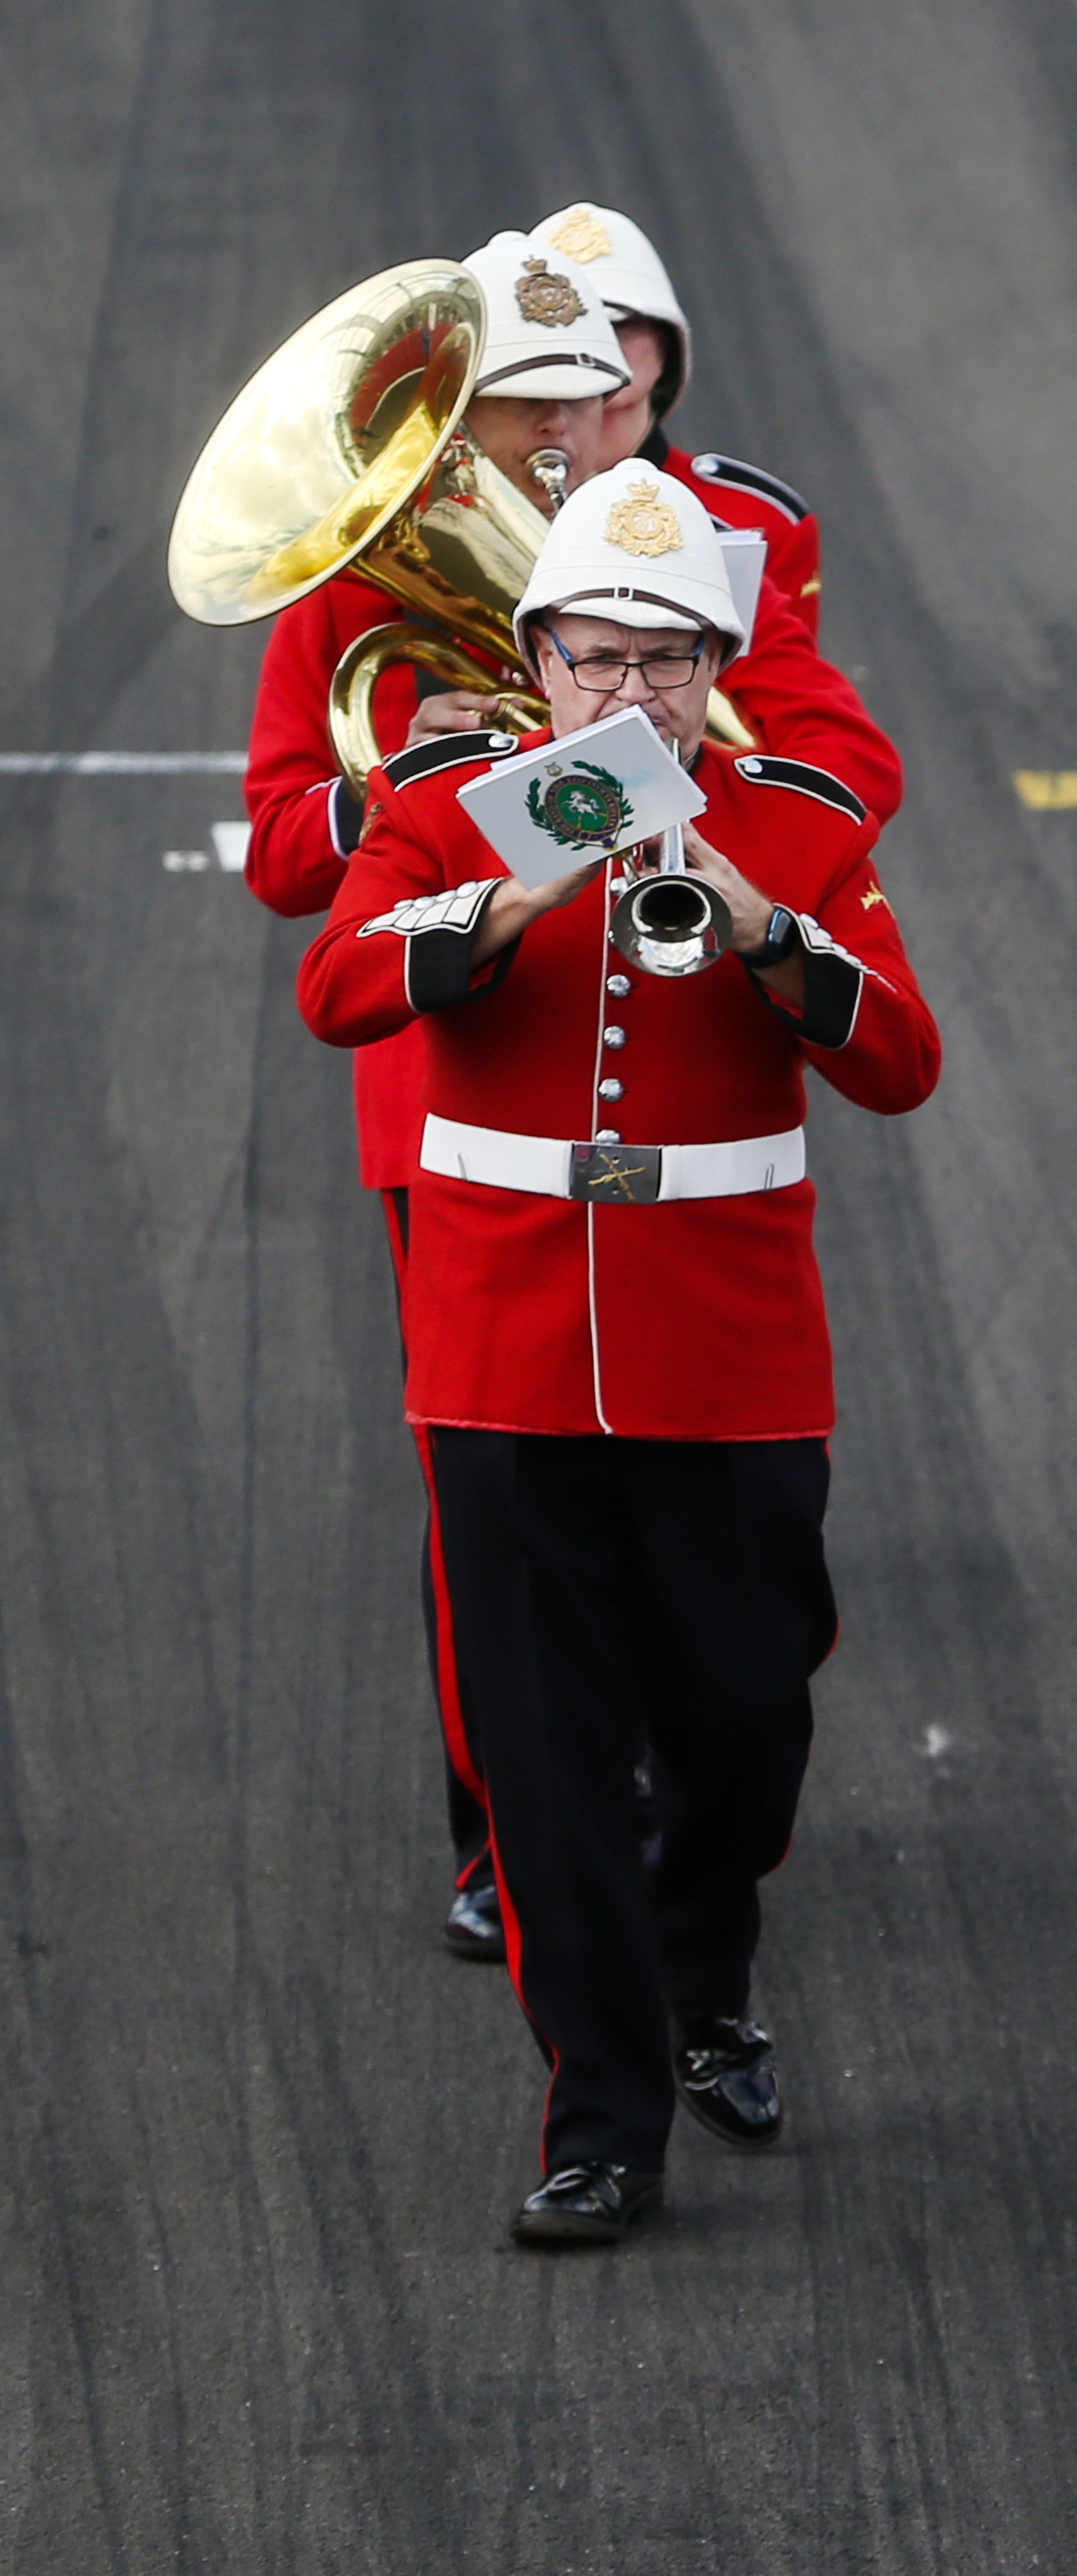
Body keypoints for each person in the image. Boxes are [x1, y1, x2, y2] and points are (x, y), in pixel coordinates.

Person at [297, 461, 942, 2245]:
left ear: (717, 668)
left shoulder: (793, 826)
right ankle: (600, 2120)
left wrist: (766, 932)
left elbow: (902, 1060)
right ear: (540, 657)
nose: (631, 694)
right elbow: (337, 987)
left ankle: (703, 1968)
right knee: (548, 1753)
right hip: (501, 1347)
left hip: (724, 1343)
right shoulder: (449, 810)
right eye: (598, 659)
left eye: (669, 662)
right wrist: (493, 904)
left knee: (744, 1713)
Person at [237, 232, 639, 1959]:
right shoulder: (355, 590)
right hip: (444, 1101)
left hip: (646, 1082)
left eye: (578, 414)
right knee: (490, 1474)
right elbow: (276, 851)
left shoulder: (657, 583)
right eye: (516, 420)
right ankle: (500, 1823)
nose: (551, 451)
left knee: (652, 1453)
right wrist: (397, 784)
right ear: (450, 417)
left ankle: (638, 1765)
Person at [529, 199, 908, 823]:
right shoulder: (412, 534)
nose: (591, 351)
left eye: (615, 325)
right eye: (566, 329)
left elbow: (796, 739)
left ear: (666, 348)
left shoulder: (749, 519)